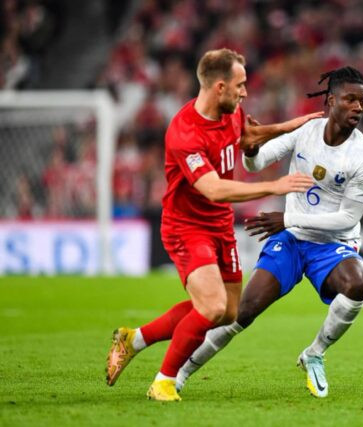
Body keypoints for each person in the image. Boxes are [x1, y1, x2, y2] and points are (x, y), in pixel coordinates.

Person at [105, 48, 321, 401]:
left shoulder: (230, 112)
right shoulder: (184, 132)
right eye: (241, 85)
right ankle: (163, 381)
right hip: (187, 227)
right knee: (210, 306)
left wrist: (288, 127)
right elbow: (213, 189)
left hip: (220, 226)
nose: (246, 92)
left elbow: (245, 138)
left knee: (228, 312)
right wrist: (273, 186)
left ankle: (135, 339)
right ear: (219, 86)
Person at [177, 66, 363, 398]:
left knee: (358, 283)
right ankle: (180, 373)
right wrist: (252, 146)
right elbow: (254, 165)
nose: (358, 107)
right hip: (293, 240)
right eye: (350, 99)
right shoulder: (306, 131)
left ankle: (314, 353)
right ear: (331, 101)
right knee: (243, 311)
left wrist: (289, 220)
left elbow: (346, 219)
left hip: (333, 244)